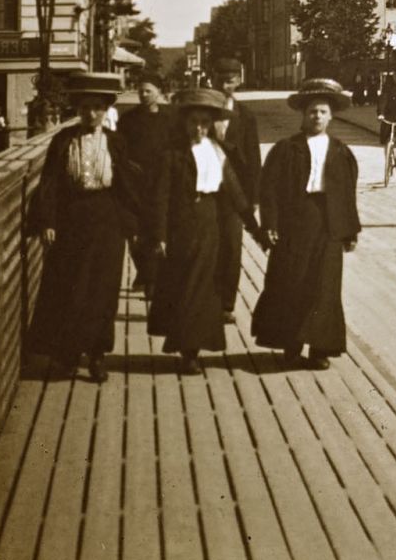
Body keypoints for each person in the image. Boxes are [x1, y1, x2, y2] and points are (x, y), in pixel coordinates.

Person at [24, 72, 141, 382]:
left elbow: (127, 186)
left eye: (98, 108)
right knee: (68, 288)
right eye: (86, 108)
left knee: (101, 292)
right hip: (72, 218)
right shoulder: (63, 140)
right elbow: (49, 183)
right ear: (77, 110)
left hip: (107, 221)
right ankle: (66, 357)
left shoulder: (115, 142)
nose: (92, 114)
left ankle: (97, 355)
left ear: (106, 111)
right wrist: (47, 220)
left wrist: (134, 224)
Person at [149, 87, 265, 374]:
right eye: (193, 122)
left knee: (206, 288)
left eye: (204, 122)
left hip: (211, 222)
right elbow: (161, 196)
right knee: (187, 286)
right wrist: (160, 234)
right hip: (182, 226)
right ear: (184, 123)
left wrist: (256, 231)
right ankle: (188, 349)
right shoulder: (173, 154)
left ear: (212, 124)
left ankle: (192, 349)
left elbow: (236, 195)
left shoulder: (219, 151)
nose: (199, 128)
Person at [252, 79, 361, 370]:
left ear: (331, 116)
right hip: (295, 223)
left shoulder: (340, 151)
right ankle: (290, 344)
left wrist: (351, 230)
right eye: (312, 111)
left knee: (325, 288)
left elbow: (348, 194)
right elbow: (269, 190)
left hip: (329, 225)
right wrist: (270, 224)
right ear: (303, 114)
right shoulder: (286, 149)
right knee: (292, 282)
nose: (317, 117)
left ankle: (320, 349)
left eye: (323, 112)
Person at [207, 58, 262, 313]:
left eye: (230, 80)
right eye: (221, 80)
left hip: (234, 193)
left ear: (238, 82)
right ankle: (205, 299)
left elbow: (253, 157)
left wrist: (254, 197)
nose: (225, 85)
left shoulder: (246, 116)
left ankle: (226, 304)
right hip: (204, 190)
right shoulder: (202, 112)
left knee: (230, 245)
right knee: (206, 246)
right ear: (213, 80)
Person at [118, 73, 175, 296]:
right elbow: (119, 149)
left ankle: (153, 278)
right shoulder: (128, 119)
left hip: (164, 180)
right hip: (137, 182)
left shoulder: (171, 117)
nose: (143, 95)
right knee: (137, 230)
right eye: (141, 91)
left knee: (158, 227)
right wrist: (128, 166)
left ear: (159, 92)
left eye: (148, 91)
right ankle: (145, 271)